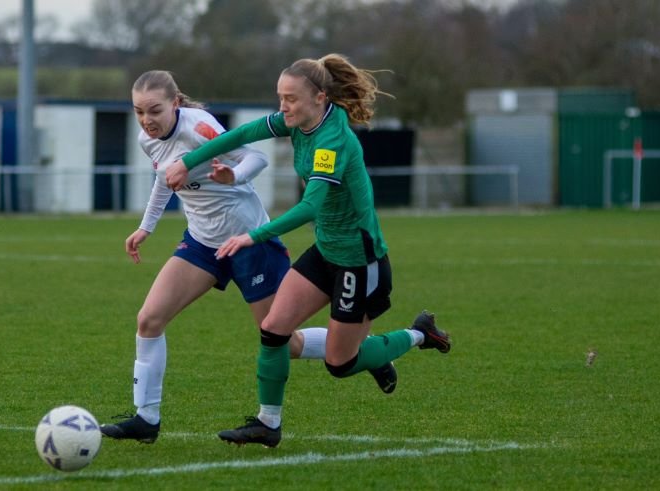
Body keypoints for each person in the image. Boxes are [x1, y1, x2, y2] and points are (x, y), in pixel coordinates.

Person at [165, 54, 451, 447]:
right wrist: (189, 160)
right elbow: (244, 134)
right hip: (326, 251)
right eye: (280, 97)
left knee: (341, 363)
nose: (283, 107)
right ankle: (268, 424)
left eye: (291, 99)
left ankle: (418, 334)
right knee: (273, 329)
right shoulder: (299, 121)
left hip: (359, 262)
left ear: (319, 97)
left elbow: (310, 207)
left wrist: (254, 235)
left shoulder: (333, 140)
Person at [99, 70, 399, 444]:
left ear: (175, 103)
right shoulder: (148, 138)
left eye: (154, 110)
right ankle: (146, 418)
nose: (146, 120)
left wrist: (234, 177)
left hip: (251, 241)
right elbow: (165, 175)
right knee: (149, 319)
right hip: (202, 243)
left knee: (282, 341)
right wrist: (147, 226)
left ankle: (368, 351)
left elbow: (254, 157)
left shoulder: (201, 129)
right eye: (138, 111)